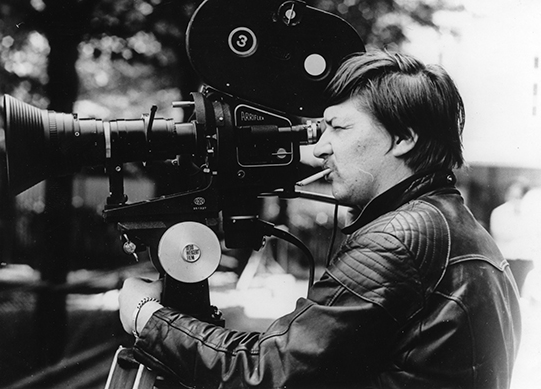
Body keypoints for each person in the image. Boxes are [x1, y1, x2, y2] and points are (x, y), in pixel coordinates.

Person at [118, 51, 521, 388]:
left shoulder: (398, 239)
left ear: (403, 138)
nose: (322, 148)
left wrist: (147, 317)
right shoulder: (454, 225)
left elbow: (268, 370)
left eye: (339, 128)